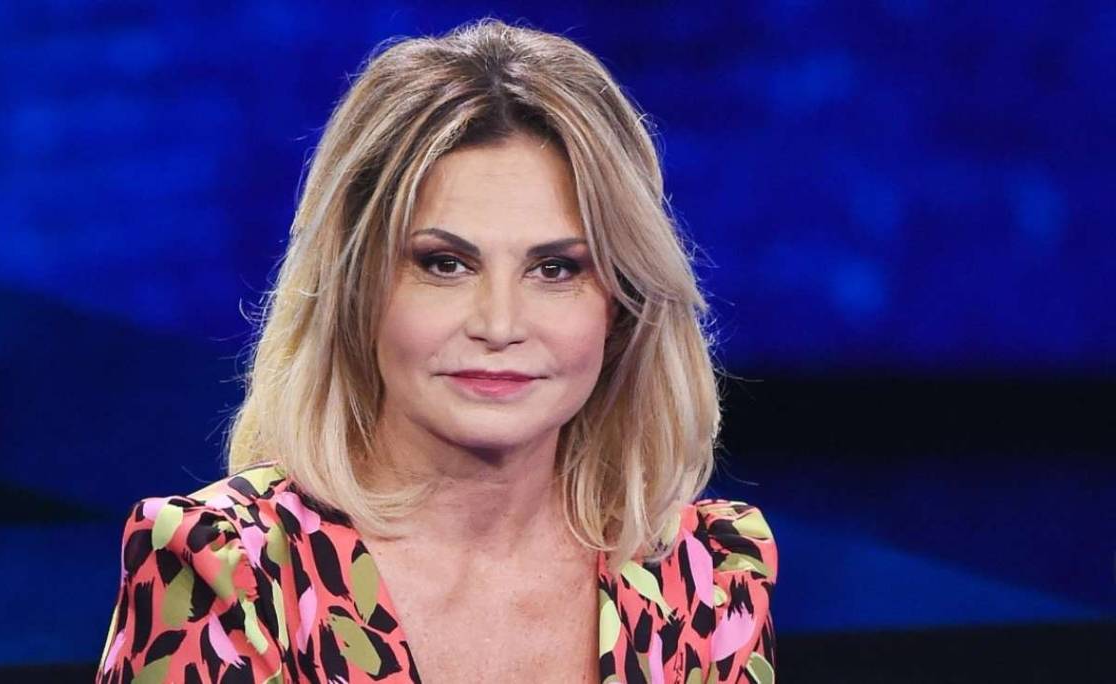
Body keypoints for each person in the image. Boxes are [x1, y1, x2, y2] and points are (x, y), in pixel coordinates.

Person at [96, 17, 777, 684]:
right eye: (445, 264)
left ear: (622, 305)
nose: (500, 324)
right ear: (356, 288)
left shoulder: (702, 581)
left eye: (555, 269)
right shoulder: (233, 572)